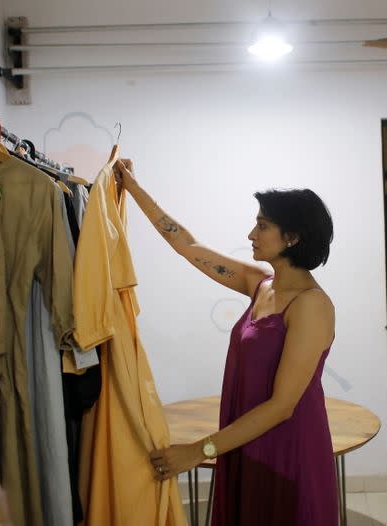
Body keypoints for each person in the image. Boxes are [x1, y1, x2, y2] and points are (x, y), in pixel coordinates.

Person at [114, 159, 338, 525]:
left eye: (263, 226)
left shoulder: (311, 306)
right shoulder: (260, 284)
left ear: (292, 238)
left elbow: (282, 406)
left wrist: (198, 452)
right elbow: (188, 246)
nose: (252, 234)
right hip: (245, 441)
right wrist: (134, 188)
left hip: (286, 454)